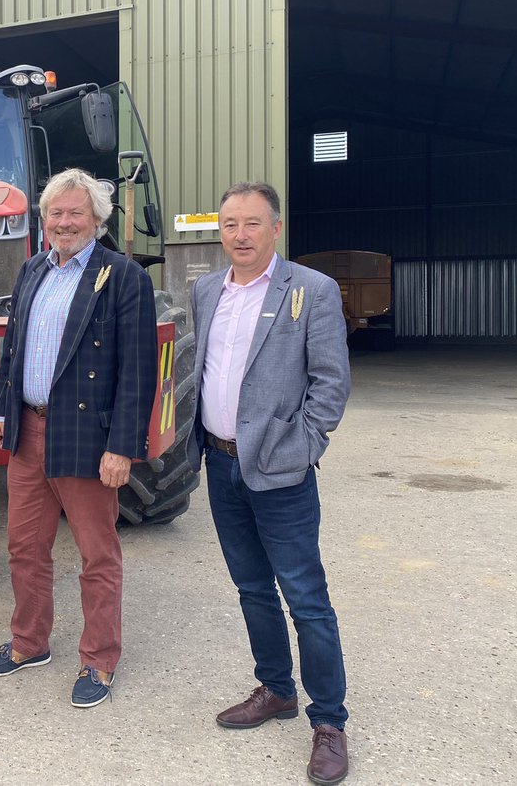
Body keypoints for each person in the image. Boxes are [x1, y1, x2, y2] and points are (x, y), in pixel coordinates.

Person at [187, 181, 352, 785]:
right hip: (222, 464)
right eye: (230, 224)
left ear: (275, 228)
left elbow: (330, 382)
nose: (240, 235)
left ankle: (328, 722)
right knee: (252, 588)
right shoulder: (206, 290)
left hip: (281, 470)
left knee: (305, 597)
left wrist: (305, 444)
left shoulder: (311, 290)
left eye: (252, 224)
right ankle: (276, 688)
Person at [0, 168, 158, 708]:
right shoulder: (34, 269)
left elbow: (138, 370)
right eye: (55, 213)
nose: (63, 222)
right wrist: (1, 410)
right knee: (24, 546)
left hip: (85, 434)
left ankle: (99, 660)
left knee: (96, 554)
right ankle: (29, 642)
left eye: (75, 212)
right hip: (28, 430)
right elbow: (14, 348)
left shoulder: (122, 277)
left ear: (97, 220)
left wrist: (122, 446)